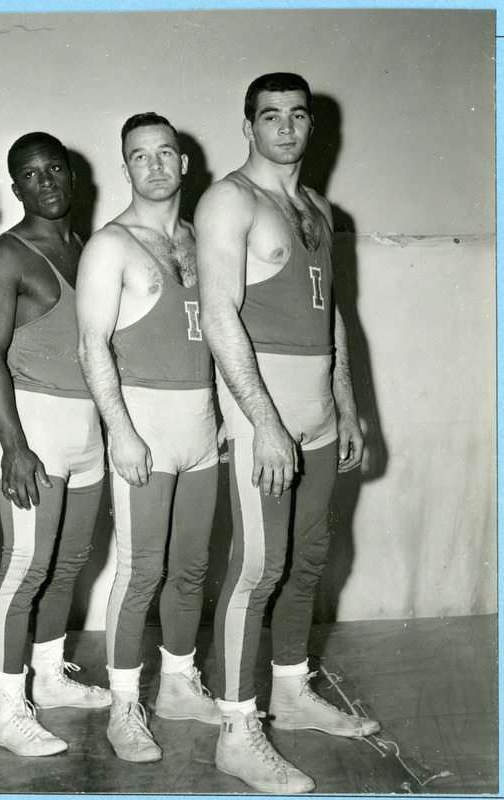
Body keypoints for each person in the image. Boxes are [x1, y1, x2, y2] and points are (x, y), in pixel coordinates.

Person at [194, 73, 380, 793]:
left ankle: (292, 692)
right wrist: (264, 422)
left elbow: (331, 315)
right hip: (262, 414)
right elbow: (218, 315)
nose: (285, 127)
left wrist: (347, 406)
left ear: (311, 127)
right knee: (257, 568)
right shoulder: (229, 201)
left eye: (297, 116)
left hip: (320, 416)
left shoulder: (315, 206)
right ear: (248, 125)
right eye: (270, 116)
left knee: (309, 562)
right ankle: (239, 732)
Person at [76, 113, 220, 764]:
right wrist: (122, 432)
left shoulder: (201, 240)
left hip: (202, 428)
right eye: (141, 156)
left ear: (184, 164)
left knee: (192, 570)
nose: (156, 165)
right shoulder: (112, 245)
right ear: (126, 167)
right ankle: (124, 706)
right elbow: (91, 345)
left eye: (167, 153)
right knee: (142, 574)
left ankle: (181, 686)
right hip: (146, 429)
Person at [0, 132, 110, 758]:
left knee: (70, 563)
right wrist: (14, 445)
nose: (46, 181)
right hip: (37, 428)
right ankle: (7, 707)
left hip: (90, 428)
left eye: (56, 168)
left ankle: (50, 678)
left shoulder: (91, 248)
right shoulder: (7, 257)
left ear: (73, 176)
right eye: (30, 174)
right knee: (25, 568)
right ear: (16, 185)